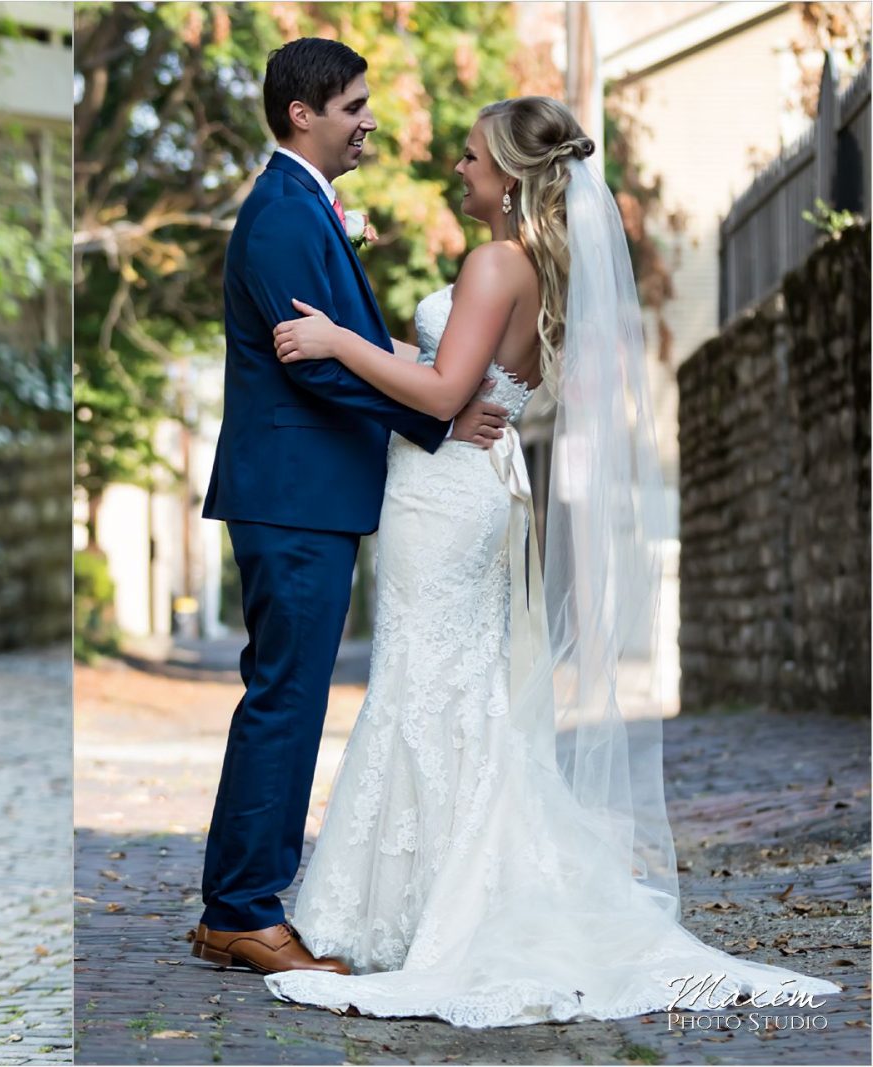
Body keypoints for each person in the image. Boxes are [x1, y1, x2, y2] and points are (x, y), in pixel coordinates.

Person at [263, 95, 840, 1026]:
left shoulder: (495, 261)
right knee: (448, 682)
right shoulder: (530, 266)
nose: (459, 169)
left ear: (511, 177)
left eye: (472, 157)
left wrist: (338, 342)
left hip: (447, 494)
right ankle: (425, 895)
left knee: (431, 681)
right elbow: (461, 373)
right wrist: (397, 355)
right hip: (463, 485)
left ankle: (437, 904)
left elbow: (450, 385)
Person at [192, 36, 508, 976]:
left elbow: (339, 350)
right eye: (355, 105)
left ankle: (235, 905)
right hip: (293, 496)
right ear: (304, 113)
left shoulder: (304, 207)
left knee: (284, 693)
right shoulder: (285, 214)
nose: (370, 119)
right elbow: (319, 365)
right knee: (285, 698)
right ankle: (243, 909)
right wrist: (439, 420)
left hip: (304, 493)